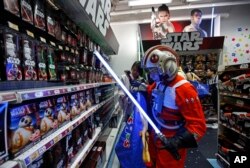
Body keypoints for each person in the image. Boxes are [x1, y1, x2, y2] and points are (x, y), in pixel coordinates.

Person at [142, 45, 206, 167]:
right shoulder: (159, 83)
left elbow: (198, 126)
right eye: (149, 71)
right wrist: (142, 90)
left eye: (154, 71)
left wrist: (177, 142)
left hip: (171, 140)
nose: (151, 76)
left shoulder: (184, 89)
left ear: (167, 66)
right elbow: (152, 92)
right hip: (156, 134)